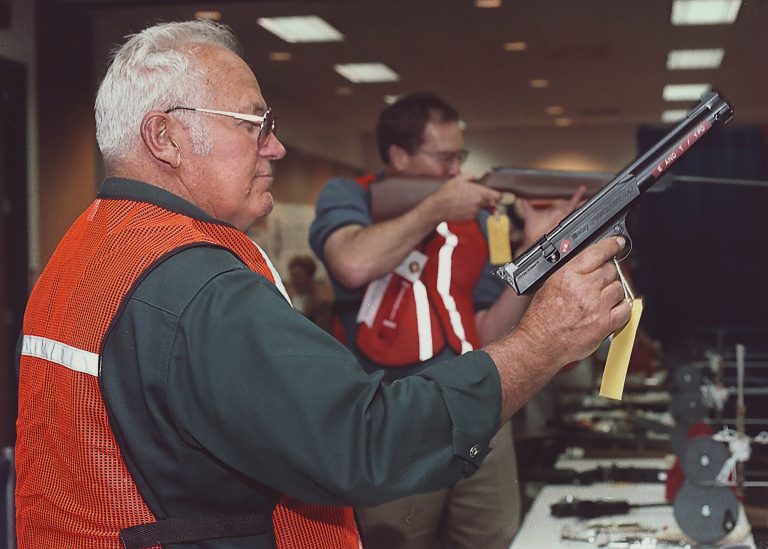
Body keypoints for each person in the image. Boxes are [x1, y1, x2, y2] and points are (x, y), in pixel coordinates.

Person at [14, 20, 631, 549]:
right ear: (165, 137)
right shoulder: (196, 283)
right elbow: (364, 440)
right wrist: (544, 342)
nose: (275, 146)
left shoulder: (85, 251)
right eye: (253, 123)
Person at [309, 92, 586, 548]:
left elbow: (489, 330)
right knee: (398, 540)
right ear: (398, 156)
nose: (455, 170)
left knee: (493, 536)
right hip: (393, 417)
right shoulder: (351, 195)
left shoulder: (474, 221)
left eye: (459, 156)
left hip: (476, 403)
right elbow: (351, 262)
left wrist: (532, 251)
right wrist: (436, 208)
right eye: (443, 158)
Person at [286, 255, 333, 331]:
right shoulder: (286, 301)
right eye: (293, 276)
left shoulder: (320, 306)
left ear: (309, 277)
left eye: (299, 276)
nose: (296, 280)